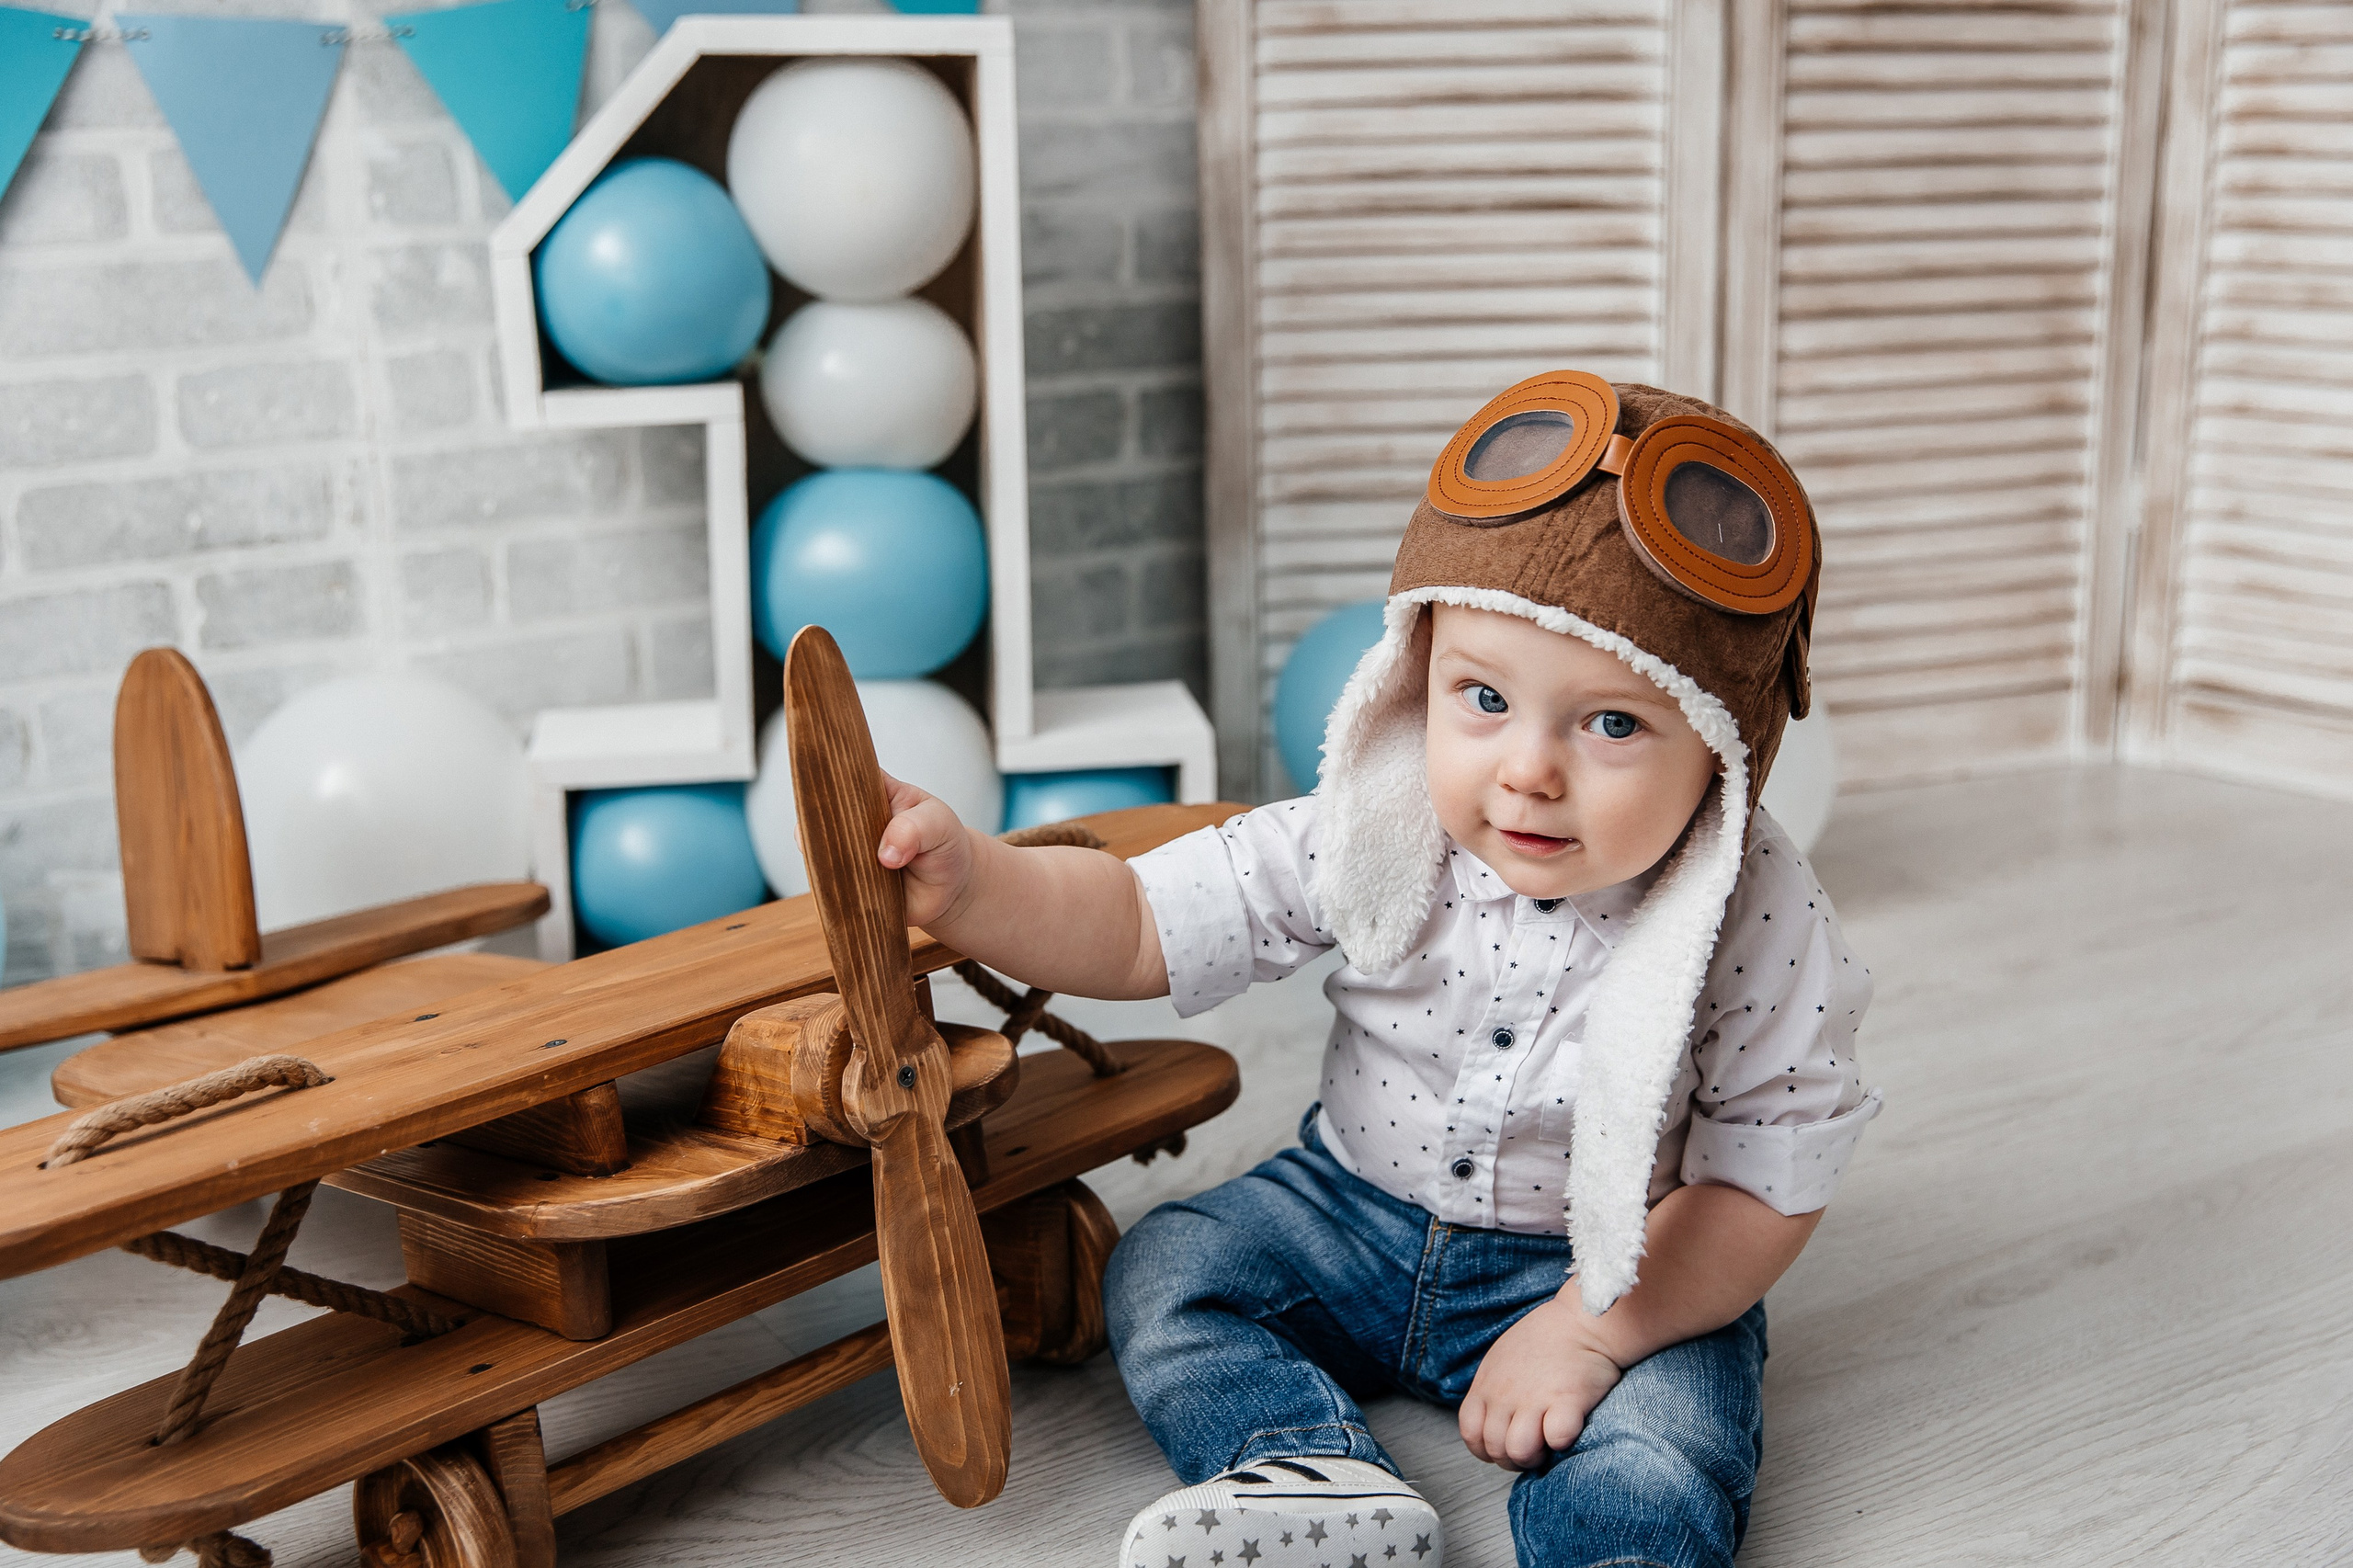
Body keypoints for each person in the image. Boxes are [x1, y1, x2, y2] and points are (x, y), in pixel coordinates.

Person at [874, 371, 1881, 1568]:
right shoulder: (1381, 812)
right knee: (1166, 1268)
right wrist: (979, 887)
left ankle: (1617, 1548)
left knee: (1676, 1437)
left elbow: (1770, 1170)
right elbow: (1148, 918)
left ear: (1723, 741)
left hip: (1613, 1256)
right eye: (1486, 698)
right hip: (1349, 1204)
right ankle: (1304, 1473)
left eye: (1611, 724)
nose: (1528, 770)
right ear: (1418, 674)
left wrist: (1598, 1331)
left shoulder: (1754, 911)